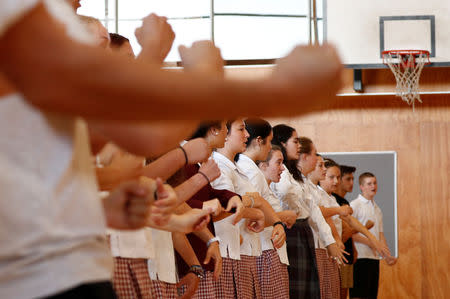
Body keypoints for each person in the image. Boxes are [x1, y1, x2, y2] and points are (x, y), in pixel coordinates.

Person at [270, 125, 342, 299]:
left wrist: (330, 241)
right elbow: (285, 191)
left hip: (303, 231)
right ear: (281, 144)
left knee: (309, 289)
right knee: (294, 289)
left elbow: (313, 210)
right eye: (295, 141)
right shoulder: (280, 172)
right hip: (289, 229)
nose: (298, 145)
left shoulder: (295, 174)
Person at [236, 118, 290, 298]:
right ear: (259, 141)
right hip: (258, 247)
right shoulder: (250, 170)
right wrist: (279, 219)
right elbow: (252, 216)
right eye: (269, 141)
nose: (270, 147)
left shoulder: (249, 168)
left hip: (257, 247)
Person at [350, 172, 397, 299]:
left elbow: (380, 234)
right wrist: (371, 242)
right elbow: (349, 234)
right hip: (359, 258)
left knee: (371, 295)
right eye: (369, 183)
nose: (373, 186)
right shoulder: (355, 205)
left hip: (374, 258)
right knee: (358, 294)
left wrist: (386, 255)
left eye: (375, 183)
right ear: (361, 186)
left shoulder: (377, 209)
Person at [332, 164, 357, 299]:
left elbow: (348, 232)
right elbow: (342, 232)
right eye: (348, 179)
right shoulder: (334, 200)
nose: (351, 183)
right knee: (338, 293)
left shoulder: (345, 201)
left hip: (348, 254)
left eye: (353, 179)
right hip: (339, 253)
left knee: (345, 293)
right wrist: (365, 228)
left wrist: (353, 248)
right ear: (339, 180)